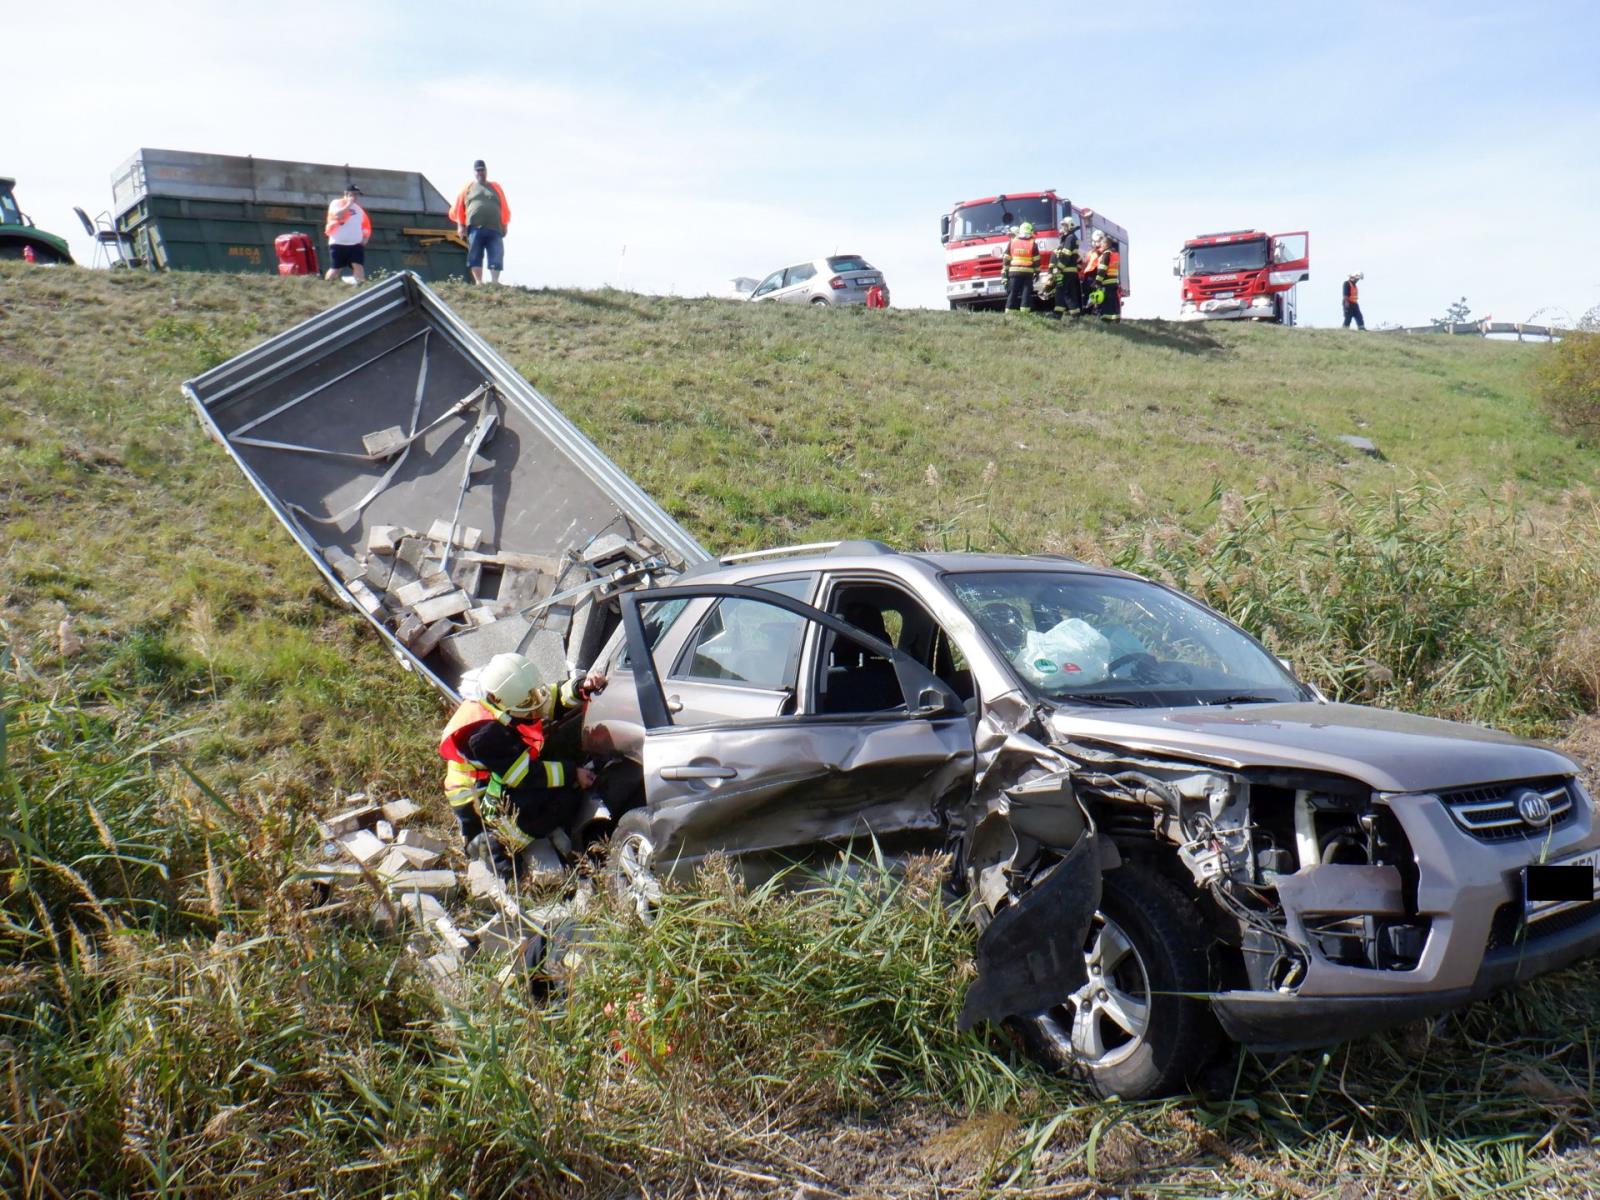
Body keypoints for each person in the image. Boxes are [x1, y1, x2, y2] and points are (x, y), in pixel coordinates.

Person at [438, 652, 607, 879]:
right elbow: (525, 775)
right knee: (528, 816)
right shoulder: (484, 734)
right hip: (474, 795)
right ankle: (494, 850)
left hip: (502, 774)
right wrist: (572, 773)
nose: (536, 707)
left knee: (553, 793)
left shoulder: (510, 697)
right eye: (529, 703)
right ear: (501, 703)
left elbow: (549, 700)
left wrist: (581, 688)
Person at [448, 159, 512, 284]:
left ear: (486, 171)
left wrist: (505, 224)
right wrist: (460, 226)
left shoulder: (496, 187)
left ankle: (495, 281)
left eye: (482, 170)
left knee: (496, 253)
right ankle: (479, 281)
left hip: (495, 228)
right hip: (475, 228)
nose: (480, 172)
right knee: (475, 255)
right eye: (478, 170)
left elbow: (504, 206)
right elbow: (458, 207)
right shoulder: (468, 188)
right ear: (474, 172)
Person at [323, 184, 371, 283]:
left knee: (358, 266)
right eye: (353, 194)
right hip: (338, 243)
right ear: (346, 193)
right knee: (336, 268)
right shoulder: (337, 203)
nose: (355, 197)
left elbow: (365, 225)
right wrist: (348, 204)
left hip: (355, 244)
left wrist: (365, 237)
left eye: (357, 195)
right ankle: (327, 285)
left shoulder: (358, 209)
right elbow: (337, 215)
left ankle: (360, 286)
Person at [1001, 221, 1041, 314]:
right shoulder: (1033, 243)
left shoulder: (1013, 242)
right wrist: (1037, 272)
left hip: (1014, 272)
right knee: (1026, 293)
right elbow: (1036, 260)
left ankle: (1008, 313)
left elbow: (1006, 258)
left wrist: (1005, 271)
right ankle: (1025, 313)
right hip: (1028, 273)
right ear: (1030, 231)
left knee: (1013, 293)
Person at [1088, 233, 1121, 321]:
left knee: (1107, 302)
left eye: (1102, 243)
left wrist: (1097, 281)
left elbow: (1102, 269)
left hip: (1106, 281)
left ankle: (1106, 319)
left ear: (1106, 244)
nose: (1101, 245)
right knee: (1114, 301)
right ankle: (1116, 318)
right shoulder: (1115, 254)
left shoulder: (1106, 254)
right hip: (1114, 280)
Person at [1050, 233, 1084, 318]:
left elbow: (1054, 264)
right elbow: (1079, 262)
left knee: (1060, 292)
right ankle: (1075, 315)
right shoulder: (1073, 249)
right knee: (1071, 294)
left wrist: (1056, 271)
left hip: (1062, 273)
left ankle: (1057, 314)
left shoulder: (1059, 250)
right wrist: (1076, 269)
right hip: (1073, 274)